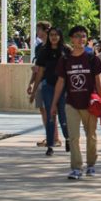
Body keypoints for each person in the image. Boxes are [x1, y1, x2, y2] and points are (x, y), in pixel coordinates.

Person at [50, 25, 101, 180]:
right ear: (71, 39)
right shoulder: (65, 59)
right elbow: (60, 82)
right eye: (77, 36)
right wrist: (54, 103)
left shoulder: (92, 58)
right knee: (73, 137)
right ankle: (76, 167)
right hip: (71, 102)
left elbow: (98, 81)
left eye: (83, 36)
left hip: (89, 103)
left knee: (91, 135)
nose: (81, 39)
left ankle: (91, 164)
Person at [29, 27, 68, 157]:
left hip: (63, 87)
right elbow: (40, 71)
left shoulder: (66, 50)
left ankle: (68, 139)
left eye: (56, 35)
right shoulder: (44, 51)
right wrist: (34, 91)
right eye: (51, 35)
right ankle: (50, 145)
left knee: (63, 114)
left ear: (60, 36)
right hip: (48, 86)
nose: (54, 37)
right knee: (50, 115)